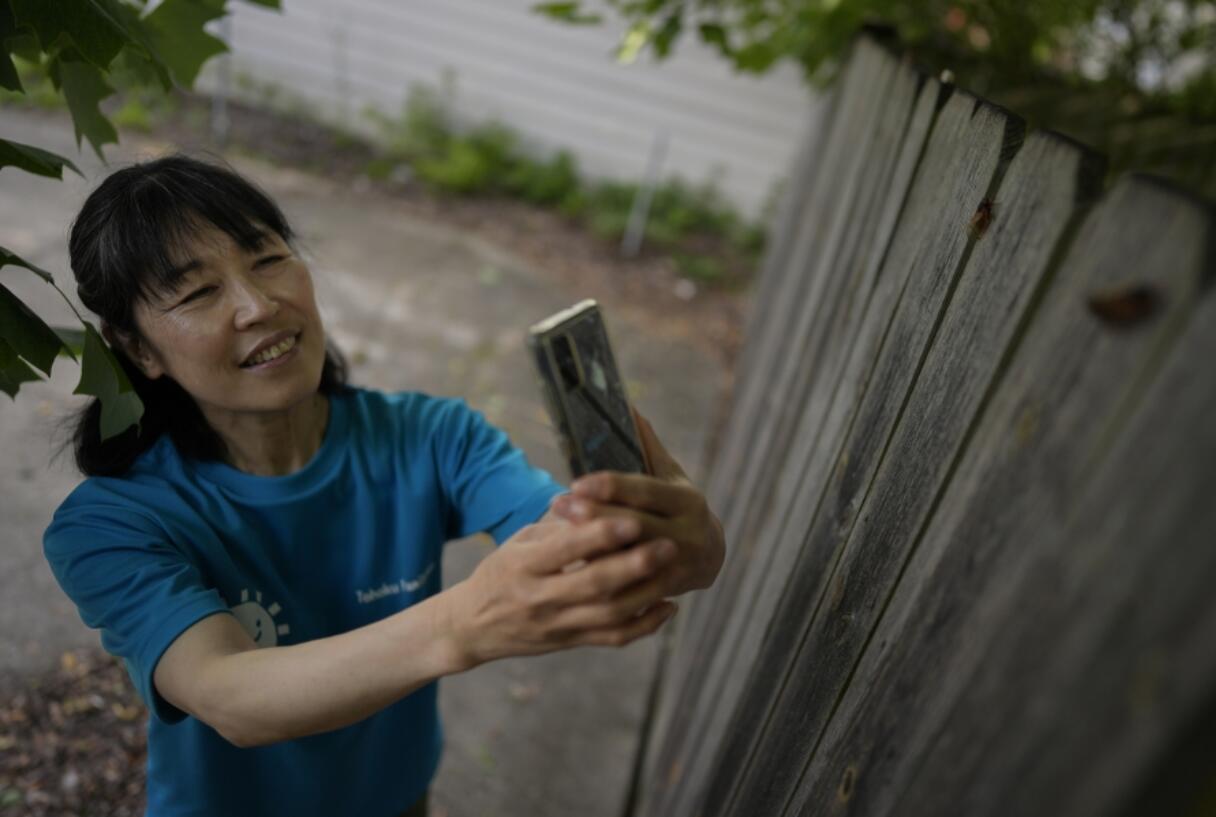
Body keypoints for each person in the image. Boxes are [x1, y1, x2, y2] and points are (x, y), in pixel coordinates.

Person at [42, 155, 725, 817]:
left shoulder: (431, 437)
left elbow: (579, 550)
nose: (257, 305)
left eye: (267, 257)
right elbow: (229, 694)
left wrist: (665, 541)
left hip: (399, 797)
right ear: (137, 349)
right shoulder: (112, 523)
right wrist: (463, 622)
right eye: (197, 292)